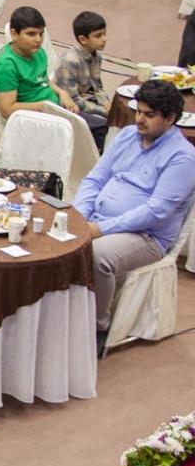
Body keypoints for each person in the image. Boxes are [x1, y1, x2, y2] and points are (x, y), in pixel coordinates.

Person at [72, 79, 195, 347]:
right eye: (138, 111)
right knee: (55, 235)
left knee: (97, 255)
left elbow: (155, 212)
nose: (139, 119)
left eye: (149, 115)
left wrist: (100, 229)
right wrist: (80, 216)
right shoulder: (128, 135)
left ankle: (97, 327)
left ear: (170, 118)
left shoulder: (183, 158)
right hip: (97, 219)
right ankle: (67, 312)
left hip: (146, 236)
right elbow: (95, 178)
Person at [0, 7, 88, 125]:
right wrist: (45, 106)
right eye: (31, 34)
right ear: (14, 34)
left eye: (41, 33)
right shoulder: (6, 66)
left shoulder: (37, 52)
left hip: (56, 109)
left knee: (100, 121)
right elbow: (7, 110)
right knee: (98, 128)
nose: (38, 39)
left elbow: (44, 81)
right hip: (38, 121)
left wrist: (62, 93)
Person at [53, 11, 110, 150]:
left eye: (104, 34)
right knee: (107, 126)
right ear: (83, 39)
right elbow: (73, 100)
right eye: (98, 36)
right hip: (72, 108)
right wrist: (103, 111)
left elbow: (97, 87)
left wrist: (105, 102)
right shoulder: (70, 61)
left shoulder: (97, 57)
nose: (104, 39)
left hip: (88, 101)